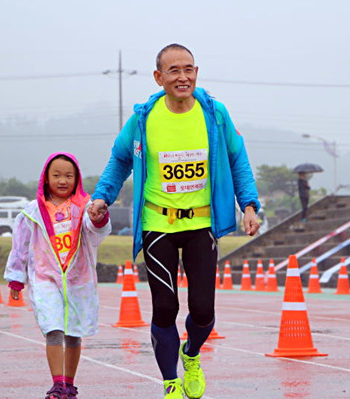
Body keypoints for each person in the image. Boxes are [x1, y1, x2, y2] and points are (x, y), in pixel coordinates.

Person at [89, 43, 260, 399]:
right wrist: (102, 196)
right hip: (157, 225)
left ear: (197, 72)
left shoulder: (214, 114)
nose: (183, 77)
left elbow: (237, 159)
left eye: (189, 69)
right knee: (165, 308)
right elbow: (120, 160)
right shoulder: (143, 119)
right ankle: (169, 381)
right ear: (159, 77)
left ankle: (192, 354)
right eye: (174, 71)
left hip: (201, 226)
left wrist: (249, 205)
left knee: (203, 311)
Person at [4, 152, 111, 399]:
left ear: (77, 179)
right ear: (46, 178)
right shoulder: (32, 212)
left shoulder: (84, 207)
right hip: (45, 279)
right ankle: (58, 384)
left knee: (74, 332)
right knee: (53, 329)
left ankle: (70, 384)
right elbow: (20, 245)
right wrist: (16, 278)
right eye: (57, 175)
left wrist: (98, 218)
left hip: (78, 279)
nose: (62, 180)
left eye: (68, 175)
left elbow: (95, 233)